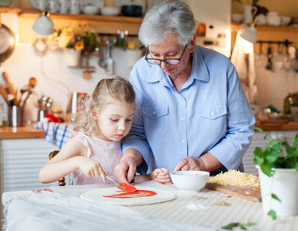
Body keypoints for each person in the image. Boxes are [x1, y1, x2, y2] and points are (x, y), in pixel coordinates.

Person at [113, 0, 255, 184]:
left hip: (216, 185)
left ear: (191, 43)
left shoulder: (222, 69)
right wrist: (129, 158)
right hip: (161, 186)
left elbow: (241, 130)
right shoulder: (141, 72)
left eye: (171, 56)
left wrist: (203, 163)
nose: (163, 65)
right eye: (155, 55)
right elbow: (136, 133)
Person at [39, 77, 171, 185]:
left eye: (128, 120)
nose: (122, 127)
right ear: (95, 113)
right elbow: (43, 175)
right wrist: (78, 161)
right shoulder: (83, 143)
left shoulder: (125, 143)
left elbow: (121, 181)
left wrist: (150, 177)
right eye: (114, 119)